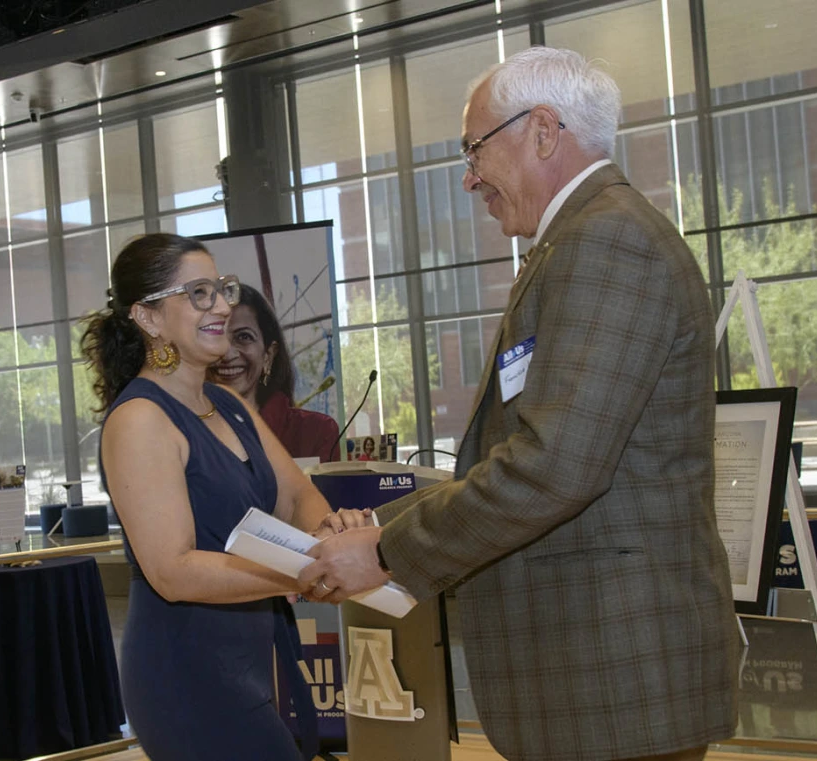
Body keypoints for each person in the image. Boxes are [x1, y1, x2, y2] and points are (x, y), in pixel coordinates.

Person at [300, 47, 739, 761]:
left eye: (475, 149)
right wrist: (378, 526)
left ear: (543, 130)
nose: (471, 178)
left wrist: (383, 550)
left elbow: (553, 466)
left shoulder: (608, 241)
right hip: (594, 683)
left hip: (611, 680)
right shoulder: (578, 241)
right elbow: (530, 456)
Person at [81, 233, 365, 761]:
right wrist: (305, 570)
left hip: (245, 665)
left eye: (223, 289)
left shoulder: (226, 403)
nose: (223, 306)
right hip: (186, 675)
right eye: (200, 294)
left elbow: (296, 495)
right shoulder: (140, 419)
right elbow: (174, 569)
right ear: (148, 317)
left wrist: (331, 534)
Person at [210, 284, 340, 462]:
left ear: (268, 355)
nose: (228, 353)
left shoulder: (315, 433)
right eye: (216, 337)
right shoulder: (181, 432)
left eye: (244, 337)